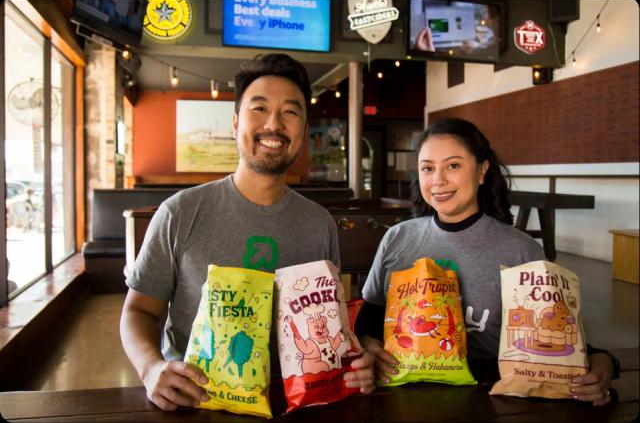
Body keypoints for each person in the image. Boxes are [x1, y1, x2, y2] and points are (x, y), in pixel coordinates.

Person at [120, 54, 374, 411]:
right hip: (196, 402)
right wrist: (150, 368)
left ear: (303, 130)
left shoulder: (319, 224)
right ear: (236, 122)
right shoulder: (180, 212)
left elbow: (328, 326)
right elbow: (138, 312)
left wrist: (353, 364)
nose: (274, 124)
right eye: (259, 108)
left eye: (290, 112)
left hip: (295, 403)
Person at [355, 117, 617, 406]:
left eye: (453, 166)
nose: (438, 180)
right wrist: (368, 344)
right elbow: (368, 318)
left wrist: (602, 360)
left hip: (492, 397)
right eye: (428, 168)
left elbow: (552, 330)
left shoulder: (521, 251)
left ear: (482, 170)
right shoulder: (398, 238)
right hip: (402, 393)